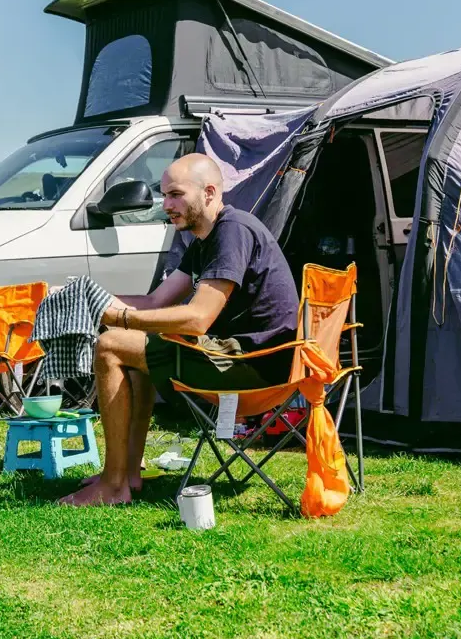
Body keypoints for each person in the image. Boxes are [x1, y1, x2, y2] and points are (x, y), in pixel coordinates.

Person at [60, 153, 299, 507]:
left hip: (255, 366)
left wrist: (118, 319)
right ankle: (126, 472)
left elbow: (198, 318)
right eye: (164, 195)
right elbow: (156, 301)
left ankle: (112, 486)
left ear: (209, 192)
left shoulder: (232, 231)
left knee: (112, 345)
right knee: (127, 348)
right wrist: (84, 297)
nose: (166, 205)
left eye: (175, 195)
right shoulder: (204, 239)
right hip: (238, 356)